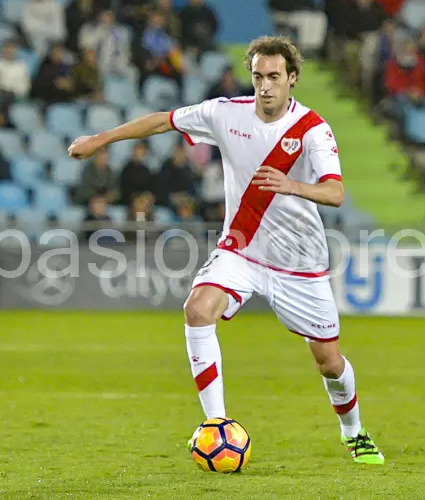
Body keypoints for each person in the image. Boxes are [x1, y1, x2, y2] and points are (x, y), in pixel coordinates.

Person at [67, 36, 384, 465]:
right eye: (258, 77)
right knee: (197, 309)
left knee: (328, 362)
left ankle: (354, 431)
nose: (265, 86)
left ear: (292, 79)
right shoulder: (224, 113)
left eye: (274, 77)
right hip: (241, 250)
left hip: (299, 264)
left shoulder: (312, 130)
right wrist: (100, 139)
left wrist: (293, 185)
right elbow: (163, 121)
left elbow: (335, 192)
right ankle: (216, 425)